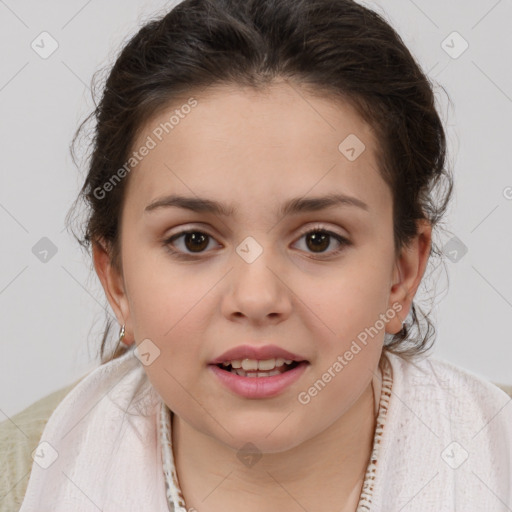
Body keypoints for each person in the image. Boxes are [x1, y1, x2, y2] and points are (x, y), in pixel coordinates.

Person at [2, 0, 511, 510]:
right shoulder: (22, 480)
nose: (257, 297)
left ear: (402, 274)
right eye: (194, 240)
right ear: (117, 281)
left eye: (319, 239)